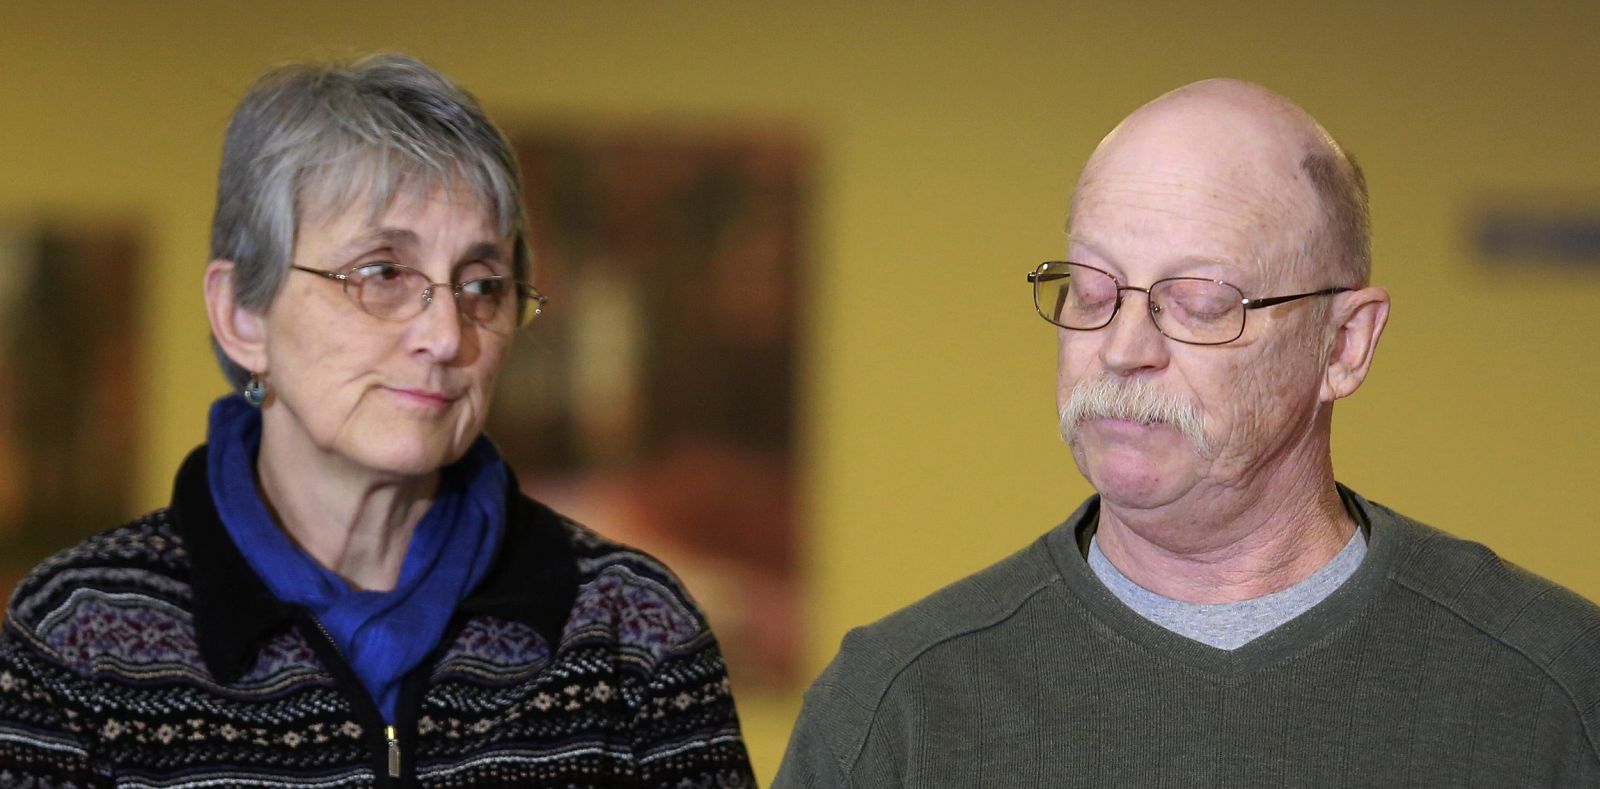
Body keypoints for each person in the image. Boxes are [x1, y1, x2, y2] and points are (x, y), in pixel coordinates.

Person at [775, 79, 1600, 787]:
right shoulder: (898, 705)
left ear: (1344, 344)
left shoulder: (1555, 688)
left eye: (1201, 303)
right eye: (1093, 293)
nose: (1124, 349)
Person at [0, 53, 755, 787]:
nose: (447, 335)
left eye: (481, 283)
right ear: (241, 314)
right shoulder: (80, 635)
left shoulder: (633, 629)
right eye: (383, 273)